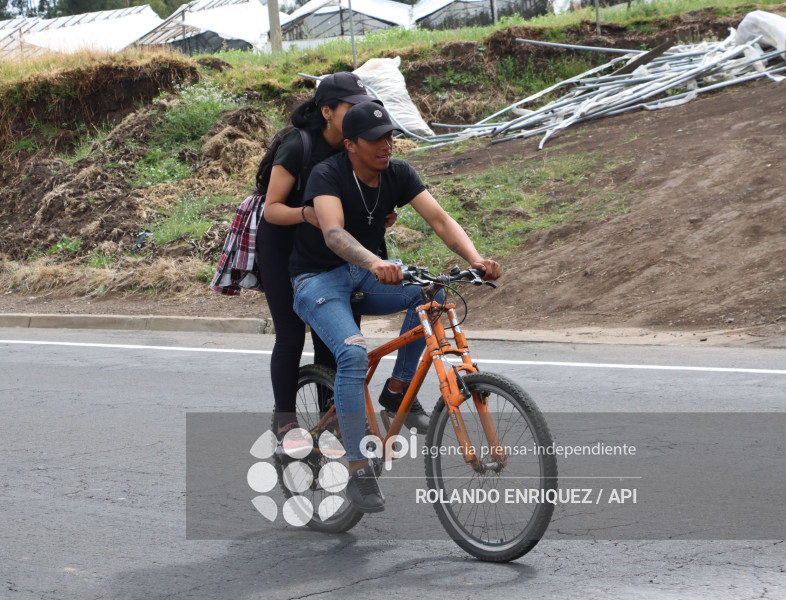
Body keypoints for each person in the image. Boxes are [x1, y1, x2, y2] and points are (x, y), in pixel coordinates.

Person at [289, 102, 502, 512]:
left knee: (434, 293)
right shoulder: (328, 174)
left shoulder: (399, 172)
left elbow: (439, 219)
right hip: (318, 279)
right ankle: (356, 467)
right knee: (352, 352)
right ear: (350, 144)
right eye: (376, 139)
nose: (386, 144)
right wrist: (373, 261)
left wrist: (475, 259)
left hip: (367, 273)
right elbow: (333, 233)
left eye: (389, 136)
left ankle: (396, 390)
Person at [256, 72, 392, 452]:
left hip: (331, 249)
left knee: (334, 336)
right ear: (327, 111)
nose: (360, 113)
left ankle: (331, 415)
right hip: (283, 242)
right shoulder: (298, 146)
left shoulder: (357, 145)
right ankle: (286, 423)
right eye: (352, 107)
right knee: (291, 332)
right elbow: (271, 209)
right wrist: (306, 214)